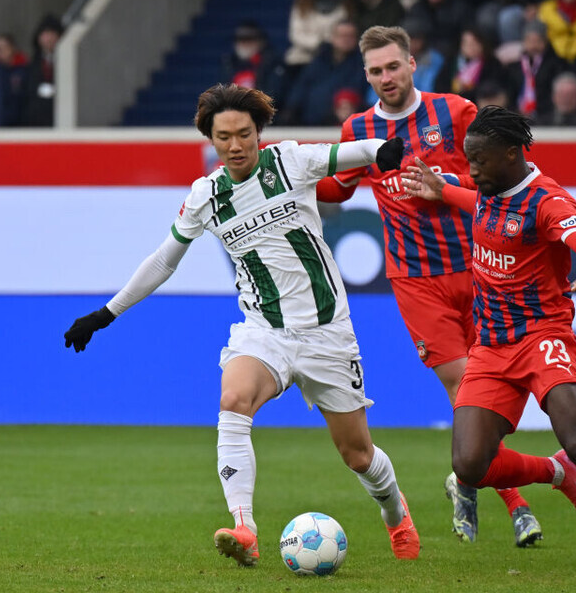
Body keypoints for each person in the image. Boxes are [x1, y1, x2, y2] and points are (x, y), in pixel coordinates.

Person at [63, 83, 420, 566]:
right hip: (263, 330)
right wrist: (106, 313)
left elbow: (354, 151)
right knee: (233, 399)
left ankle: (396, 516)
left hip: (326, 332)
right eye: (224, 137)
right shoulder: (205, 195)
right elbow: (163, 261)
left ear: (258, 133)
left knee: (358, 455)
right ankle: (244, 528)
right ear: (211, 139)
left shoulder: (290, 161)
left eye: (244, 134)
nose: (235, 145)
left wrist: (384, 150)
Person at [401, 106, 576, 577]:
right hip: (491, 346)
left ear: (512, 154)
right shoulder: (489, 189)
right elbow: (481, 206)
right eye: (468, 162)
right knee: (470, 465)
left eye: (480, 161)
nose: (472, 171)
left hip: (542, 337)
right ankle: (556, 474)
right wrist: (443, 190)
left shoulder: (548, 202)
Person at [314, 25, 544, 547]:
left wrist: (448, 186)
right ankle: (515, 501)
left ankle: (467, 477)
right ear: (366, 74)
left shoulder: (456, 113)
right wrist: (293, 170)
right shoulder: (360, 129)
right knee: (465, 386)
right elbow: (334, 187)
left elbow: (505, 175)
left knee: (499, 394)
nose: (385, 78)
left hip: (479, 269)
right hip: (416, 281)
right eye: (375, 70)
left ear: (413, 64)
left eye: (393, 66)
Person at [282, 19, 366, 125]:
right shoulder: (319, 59)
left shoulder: (361, 64)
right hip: (308, 123)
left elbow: (356, 92)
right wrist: (291, 108)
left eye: (350, 36)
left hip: (337, 125)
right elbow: (302, 85)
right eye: (342, 36)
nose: (346, 40)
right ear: (333, 37)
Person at [220, 21, 288, 111]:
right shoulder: (228, 64)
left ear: (261, 41)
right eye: (239, 39)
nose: (244, 43)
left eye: (249, 39)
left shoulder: (272, 64)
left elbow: (274, 97)